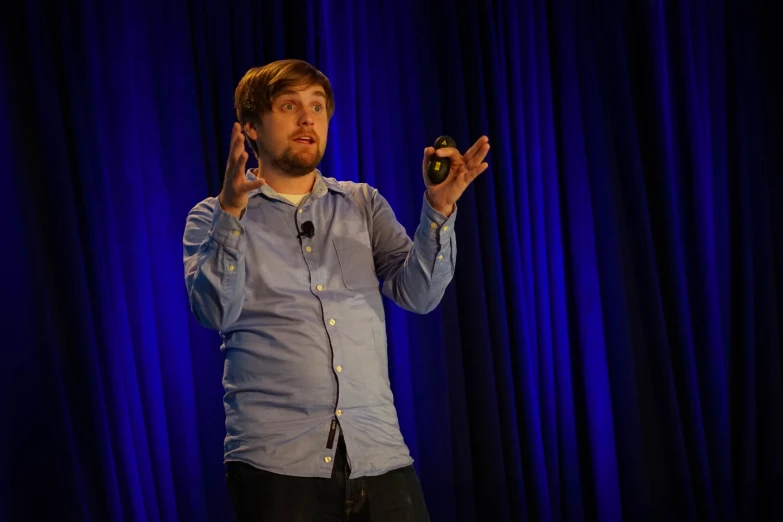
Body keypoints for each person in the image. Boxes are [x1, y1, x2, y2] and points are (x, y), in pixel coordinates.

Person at [182, 59, 490, 521]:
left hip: (380, 455)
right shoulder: (211, 217)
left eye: (318, 107)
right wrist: (231, 211)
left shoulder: (362, 204)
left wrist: (439, 210)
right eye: (289, 106)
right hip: (278, 467)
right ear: (250, 127)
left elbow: (419, 296)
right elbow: (213, 312)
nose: (308, 119)